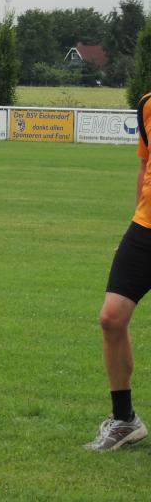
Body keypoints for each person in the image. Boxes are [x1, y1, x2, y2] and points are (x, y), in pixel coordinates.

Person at [86, 91, 151, 451]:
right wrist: (133, 233)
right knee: (111, 318)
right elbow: (145, 167)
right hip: (145, 229)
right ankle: (124, 420)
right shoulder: (148, 106)